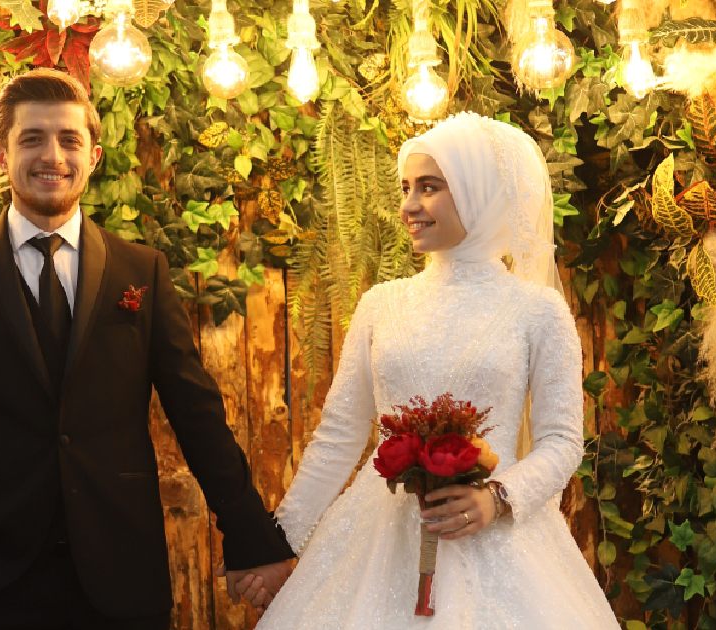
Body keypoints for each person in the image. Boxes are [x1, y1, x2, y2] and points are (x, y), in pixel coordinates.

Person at [0, 68, 293, 629]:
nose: (51, 155)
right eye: (31, 138)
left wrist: (254, 536)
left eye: (68, 139)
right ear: (0, 155)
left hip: (122, 575)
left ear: (94, 156)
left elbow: (197, 416)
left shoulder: (141, 271)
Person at [252, 112, 620, 628]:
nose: (408, 206)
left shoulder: (537, 311)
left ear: (479, 192)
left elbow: (561, 441)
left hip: (496, 537)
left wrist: (498, 499)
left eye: (429, 188)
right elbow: (339, 436)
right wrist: (276, 544)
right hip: (374, 539)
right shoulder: (381, 304)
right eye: (406, 188)